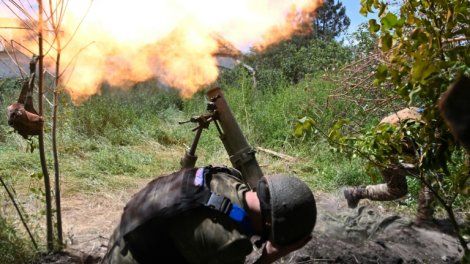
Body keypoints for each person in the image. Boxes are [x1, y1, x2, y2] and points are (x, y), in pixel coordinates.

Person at [103, 166, 316, 264]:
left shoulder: (227, 178)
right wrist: (269, 257)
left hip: (125, 235)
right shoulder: (231, 242)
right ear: (270, 224)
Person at [343, 107, 435, 224]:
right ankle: (424, 220)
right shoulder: (430, 127)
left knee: (397, 189)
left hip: (380, 140)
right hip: (389, 143)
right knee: (431, 175)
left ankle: (355, 193)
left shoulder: (424, 111)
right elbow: (428, 168)